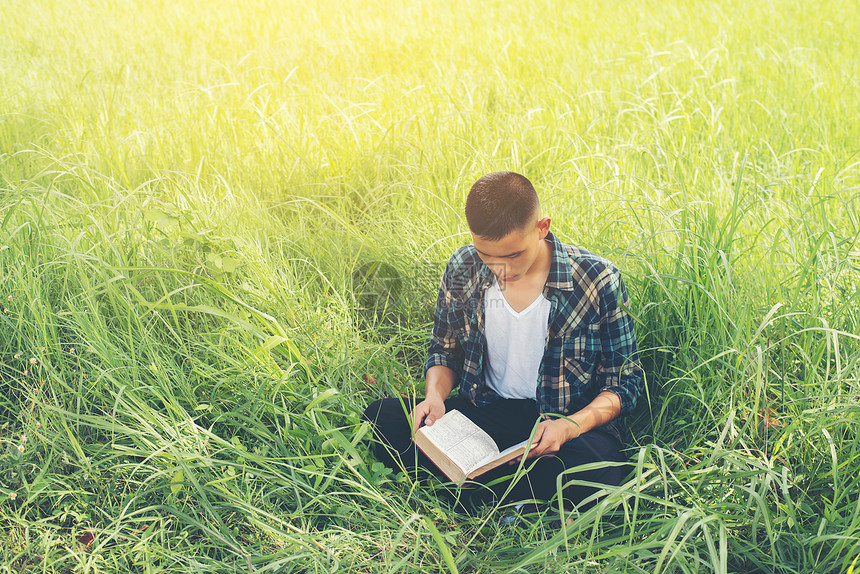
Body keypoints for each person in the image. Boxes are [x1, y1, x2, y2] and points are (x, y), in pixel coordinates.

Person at [363, 171, 644, 513]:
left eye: (513, 255)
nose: (500, 269)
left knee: (598, 473)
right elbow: (444, 350)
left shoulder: (598, 279)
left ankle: (471, 489)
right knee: (384, 418)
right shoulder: (462, 266)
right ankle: (514, 494)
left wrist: (570, 427)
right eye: (486, 254)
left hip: (559, 424)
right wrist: (435, 397)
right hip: (486, 413)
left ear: (542, 227)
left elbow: (625, 384)